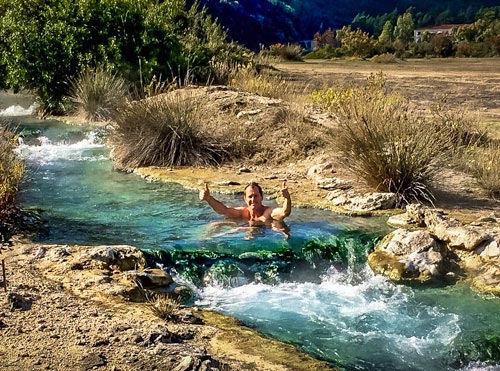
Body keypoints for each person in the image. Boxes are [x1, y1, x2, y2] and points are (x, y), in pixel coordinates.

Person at [199, 181, 291, 223]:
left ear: (261, 197)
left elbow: (284, 212)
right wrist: (209, 199)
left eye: (256, 196)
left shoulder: (268, 212)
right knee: (215, 224)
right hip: (246, 236)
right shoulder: (242, 213)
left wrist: (287, 198)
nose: (253, 199)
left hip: (266, 237)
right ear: (245, 199)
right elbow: (223, 210)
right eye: (250, 197)